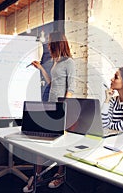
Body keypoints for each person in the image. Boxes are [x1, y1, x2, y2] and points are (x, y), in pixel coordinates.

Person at [23, 31, 75, 192]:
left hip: (62, 107)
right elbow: (53, 83)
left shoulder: (69, 62)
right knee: (42, 141)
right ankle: (38, 174)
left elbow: (71, 88)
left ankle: (60, 175)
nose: (48, 45)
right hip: (50, 105)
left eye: (51, 42)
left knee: (61, 145)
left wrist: (63, 108)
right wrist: (41, 69)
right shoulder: (56, 61)